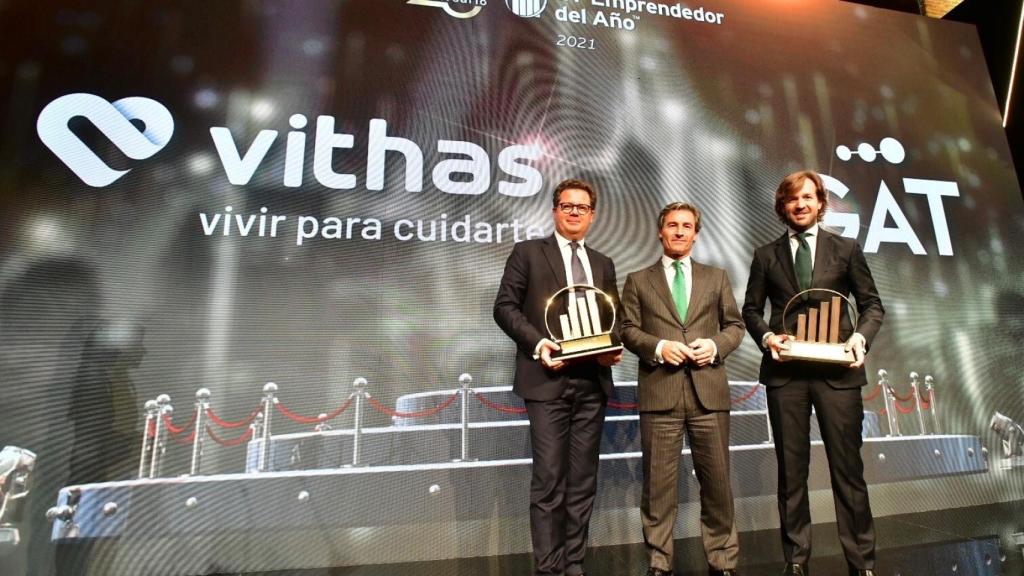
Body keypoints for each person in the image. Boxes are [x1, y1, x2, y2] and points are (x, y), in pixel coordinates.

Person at [741, 170, 884, 576]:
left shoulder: (846, 248)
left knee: (848, 470)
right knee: (791, 472)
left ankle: (862, 562)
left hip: (838, 373)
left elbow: (872, 305)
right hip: (786, 375)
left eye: (807, 197)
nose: (800, 204)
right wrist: (768, 337)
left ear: (820, 202)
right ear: (782, 207)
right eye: (792, 199)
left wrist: (860, 339)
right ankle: (796, 560)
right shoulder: (765, 255)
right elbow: (751, 310)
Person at [494, 178, 622, 576]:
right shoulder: (528, 252)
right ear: (554, 211)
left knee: (583, 480)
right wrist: (539, 344)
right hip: (546, 380)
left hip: (591, 383)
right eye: (567, 206)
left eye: (582, 207)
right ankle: (548, 569)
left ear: (592, 215)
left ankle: (574, 564)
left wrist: (613, 347)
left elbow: (613, 318)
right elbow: (504, 307)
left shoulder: (603, 263)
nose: (574, 213)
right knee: (549, 479)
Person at [620, 202, 744, 576]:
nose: (678, 231)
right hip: (660, 393)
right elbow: (626, 329)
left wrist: (715, 346)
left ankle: (722, 561)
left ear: (695, 233)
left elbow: (735, 326)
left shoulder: (716, 277)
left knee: (718, 485)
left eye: (686, 226)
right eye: (672, 225)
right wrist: (659, 347)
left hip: (709, 392)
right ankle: (659, 563)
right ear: (660, 231)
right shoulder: (638, 280)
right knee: (658, 488)